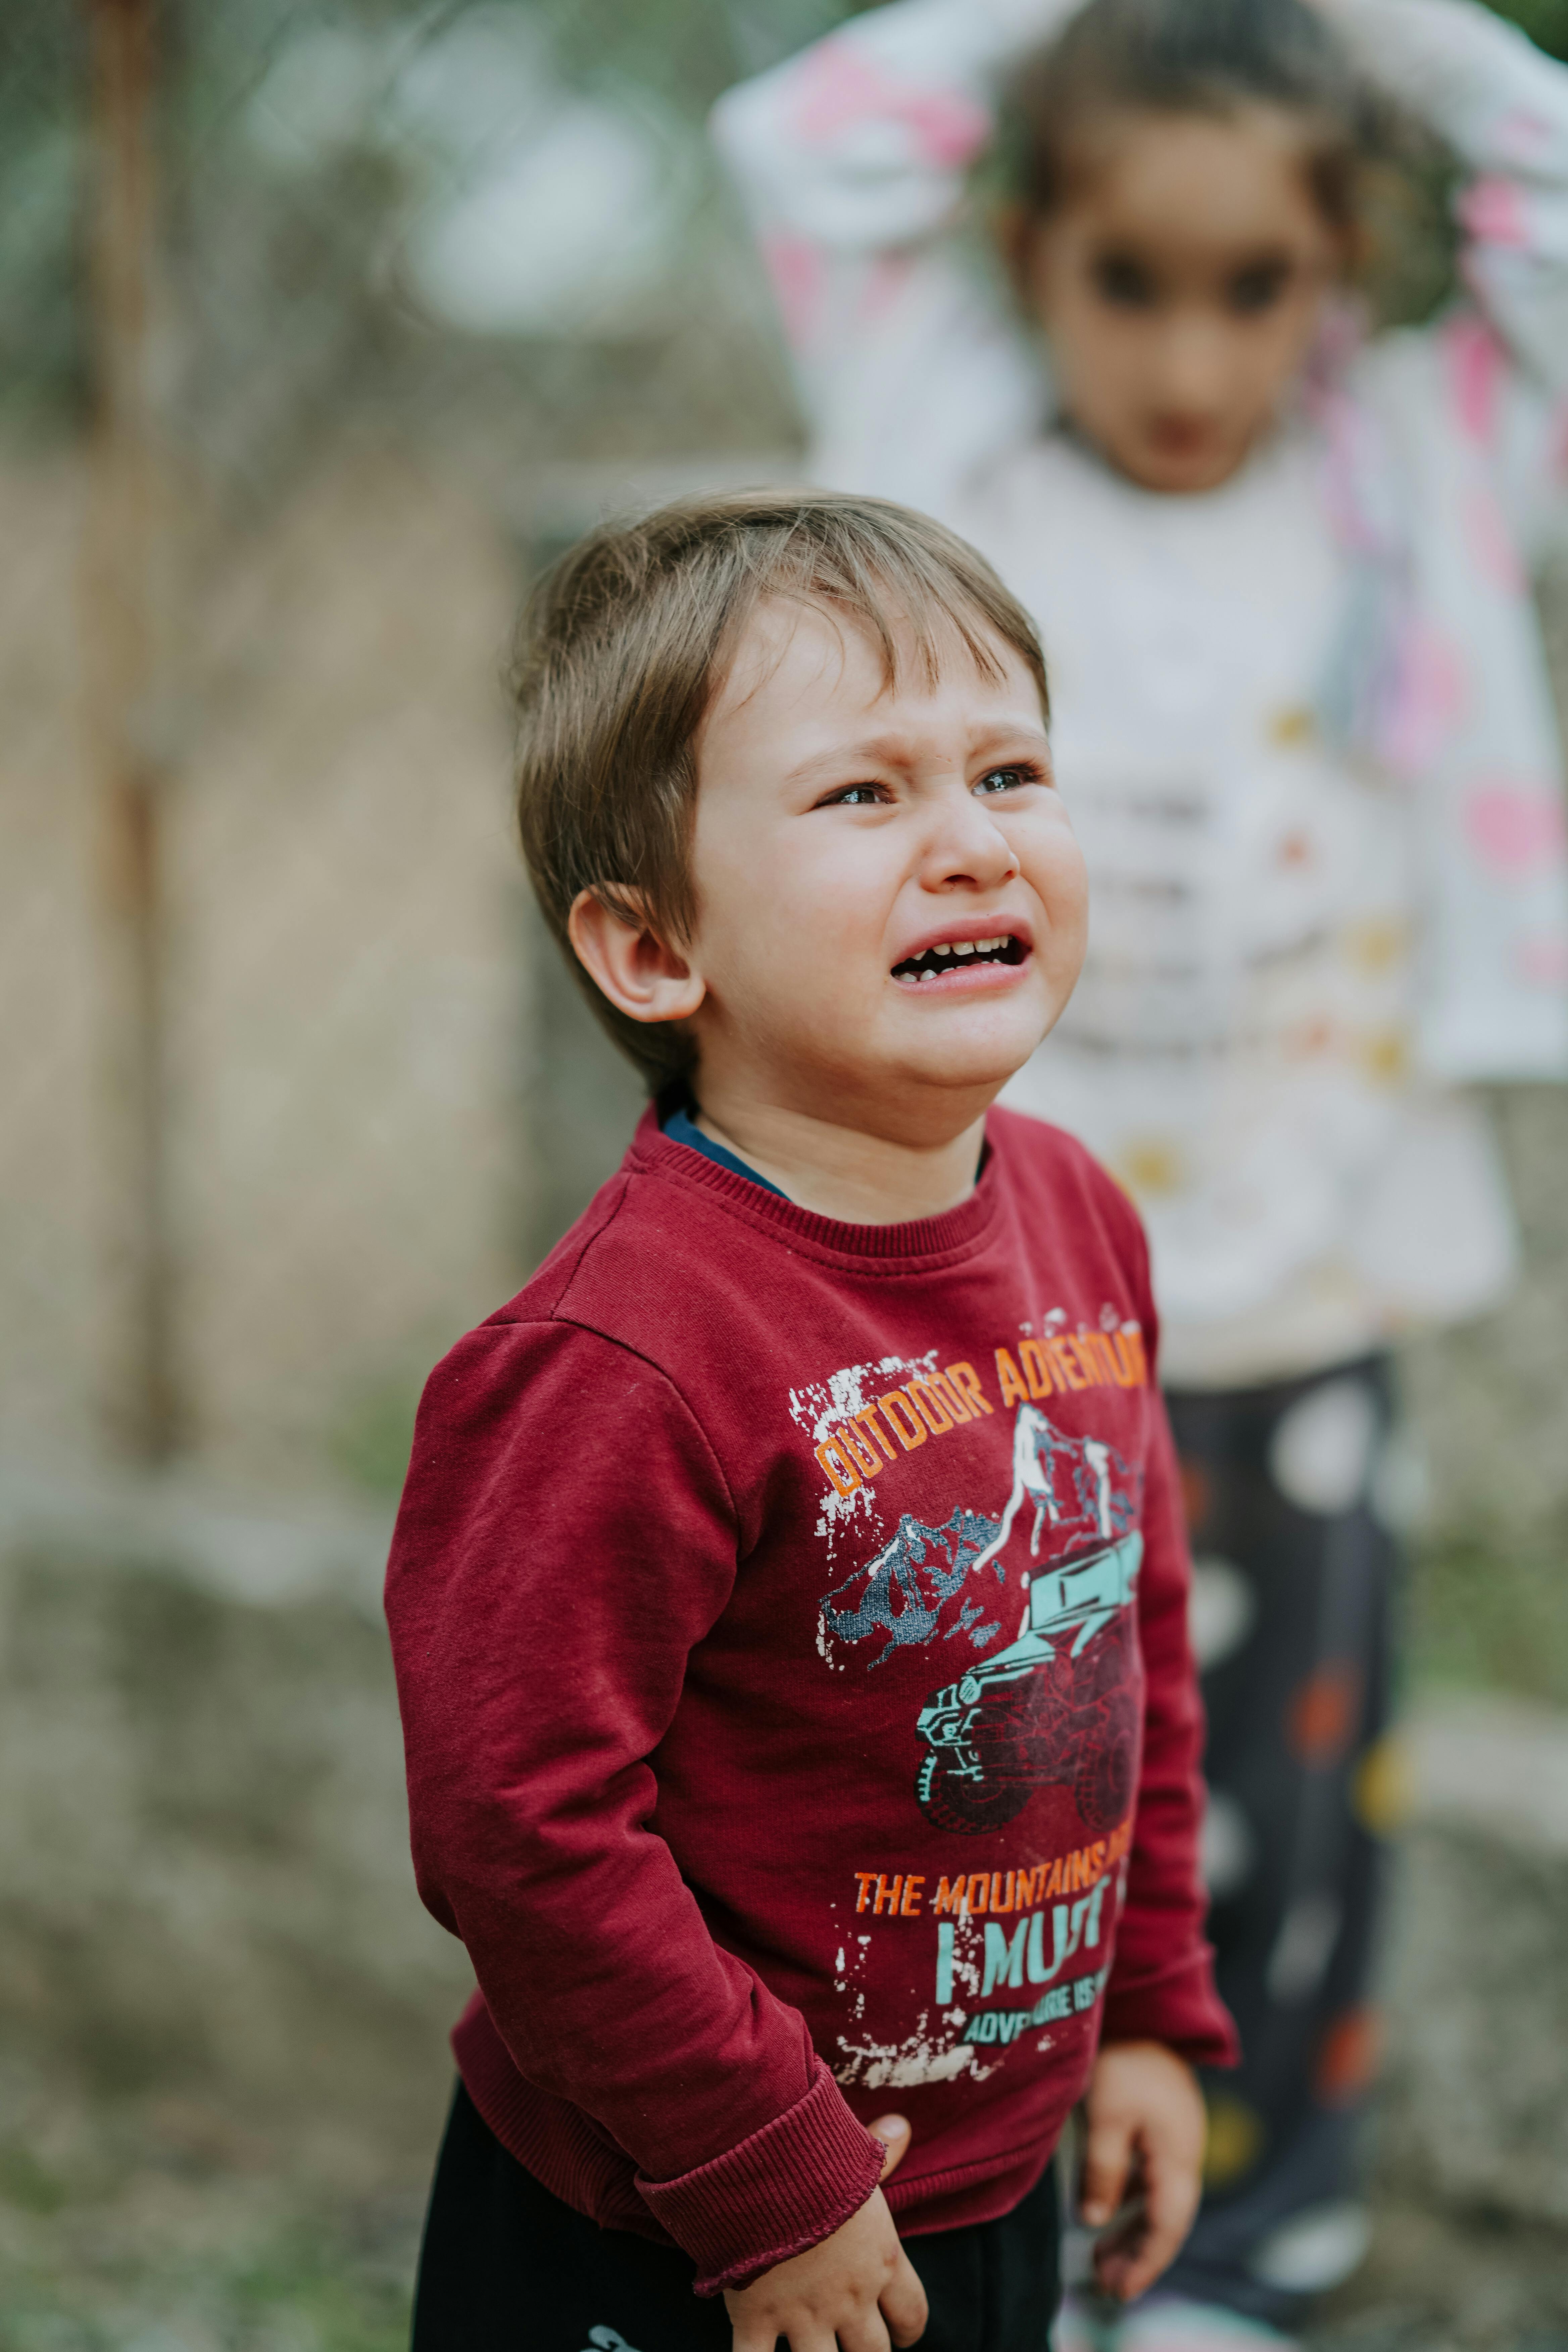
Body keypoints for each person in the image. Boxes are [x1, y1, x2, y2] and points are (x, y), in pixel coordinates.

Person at [712, 0, 1568, 2341]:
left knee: (1285, 1825)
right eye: (1130, 279)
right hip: (978, 1322)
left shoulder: (1418, 466)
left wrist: (1361, 21)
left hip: (1298, 1305)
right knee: (974, 1814)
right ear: (1027, 253)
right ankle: (1001, 2237)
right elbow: (804, 144)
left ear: (1342, 272)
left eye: (1255, 282)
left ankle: (1246, 2258)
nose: (1192, 352)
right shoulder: (942, 466)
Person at [385, 489, 1237, 2352]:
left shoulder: (1081, 1216)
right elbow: (522, 1833)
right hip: (683, 2225)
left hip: (987, 2187)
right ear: (649, 950)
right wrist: (764, 2182)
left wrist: (1156, 2007)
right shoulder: (620, 1359)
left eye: (1010, 769)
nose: (969, 844)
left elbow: (1131, 1649)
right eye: (865, 796)